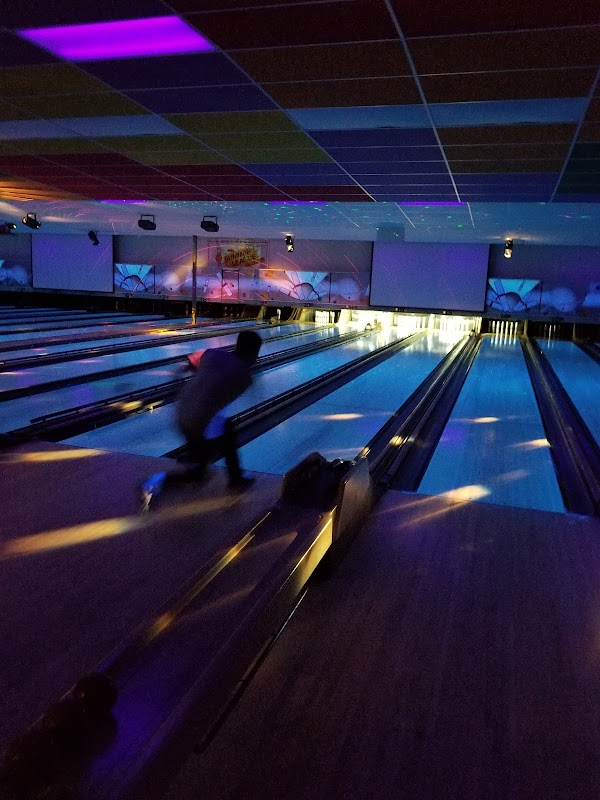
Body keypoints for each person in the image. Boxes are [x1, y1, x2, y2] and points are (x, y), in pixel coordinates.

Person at [140, 330, 262, 507]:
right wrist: (208, 449)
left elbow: (188, 364)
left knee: (224, 434)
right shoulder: (244, 377)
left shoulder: (211, 354)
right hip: (197, 421)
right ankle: (155, 481)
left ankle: (230, 475)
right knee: (200, 473)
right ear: (254, 353)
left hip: (181, 410)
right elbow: (215, 411)